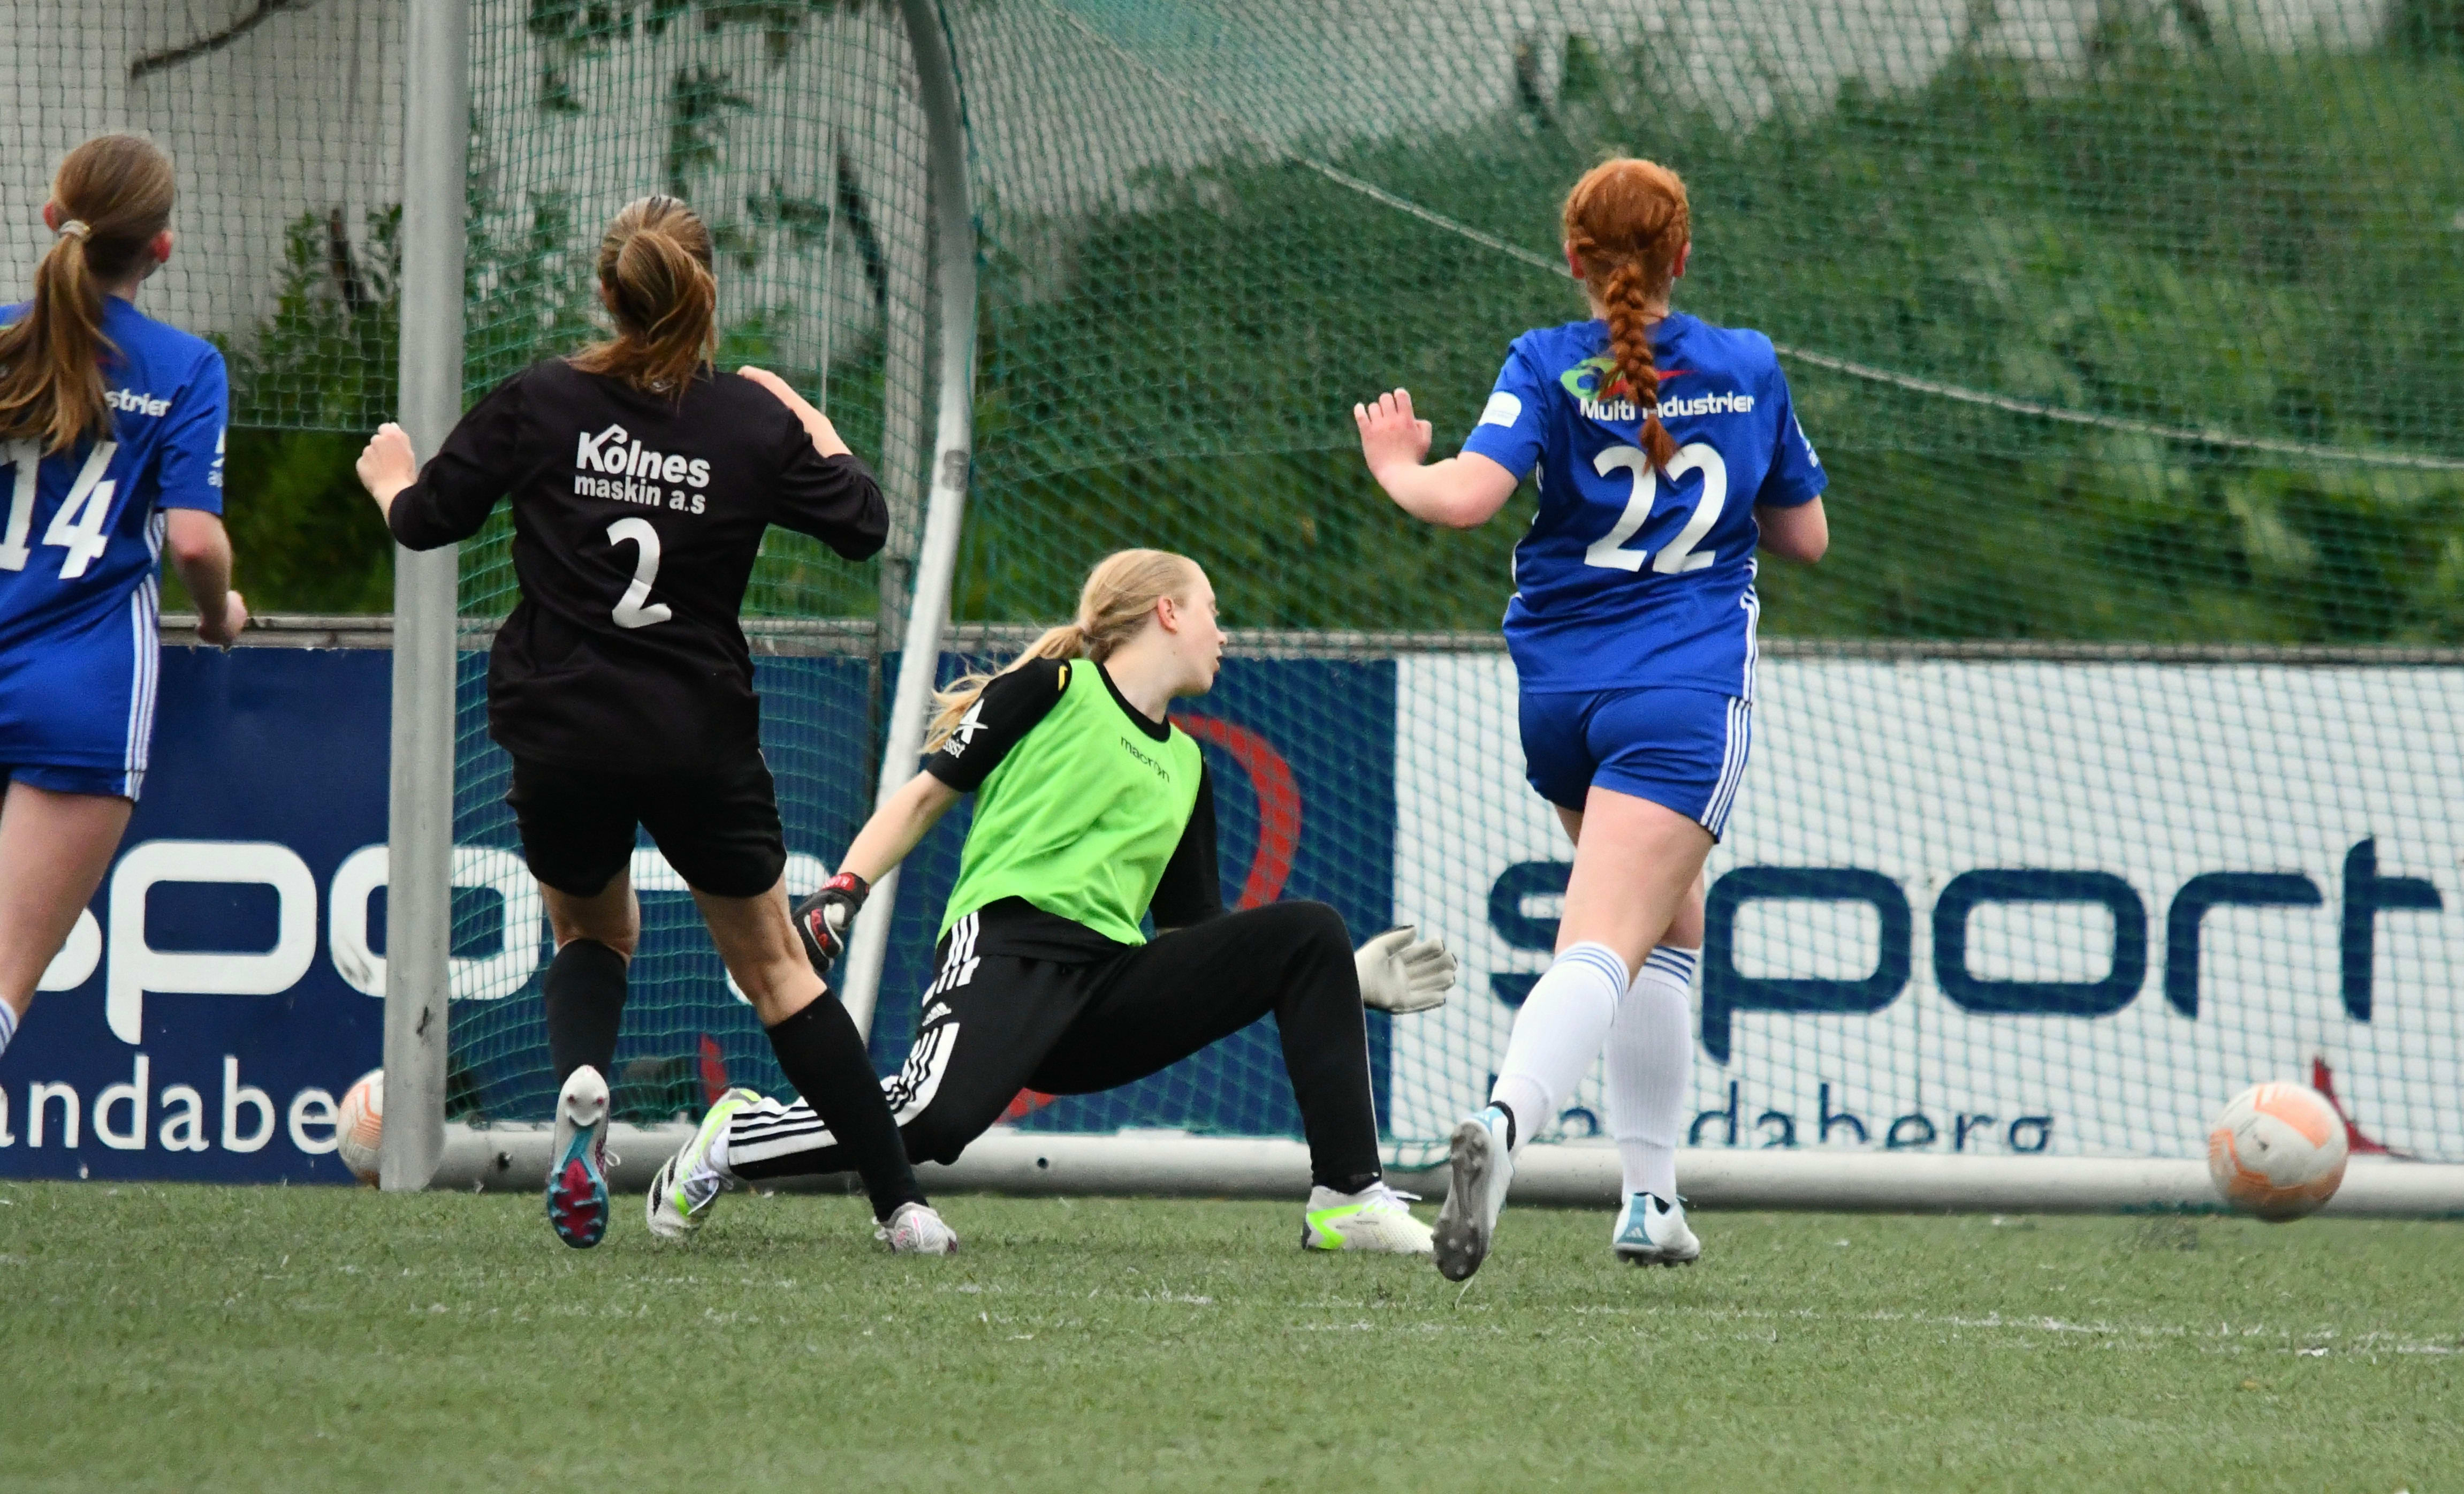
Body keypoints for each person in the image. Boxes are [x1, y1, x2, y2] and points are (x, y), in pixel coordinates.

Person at [354, 194, 954, 1255]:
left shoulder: (545, 399)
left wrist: (391, 477)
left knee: (592, 932)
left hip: (562, 728)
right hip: (695, 735)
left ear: (607, 291)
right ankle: (902, 1208)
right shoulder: (749, 421)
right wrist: (802, 412)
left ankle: (585, 1081)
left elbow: (426, 520)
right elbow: (864, 523)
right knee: (777, 970)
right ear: (708, 292)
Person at [648, 548, 1461, 1253]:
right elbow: (924, 798)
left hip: (1104, 991)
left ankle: (1347, 1198)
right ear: (1167, 612)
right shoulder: (1053, 685)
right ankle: (737, 1135)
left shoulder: (1190, 768)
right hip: (1008, 953)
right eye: (1213, 611)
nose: (1225, 633)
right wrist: (844, 890)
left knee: (1310, 931)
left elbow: (1200, 942)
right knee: (932, 1122)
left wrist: (1333, 977)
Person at [1355, 157, 1829, 1280]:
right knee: (1609, 936)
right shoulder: (1747, 364)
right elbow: (1806, 536)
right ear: (1684, 256)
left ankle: (1650, 1200)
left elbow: (1465, 498)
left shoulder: (1544, 360)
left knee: (1670, 920)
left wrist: (1395, 465)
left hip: (1560, 695)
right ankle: (1505, 1125)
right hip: (1680, 694)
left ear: (1573, 257)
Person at [0, 134, 247, 1072]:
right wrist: (219, 616)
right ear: (162, 247)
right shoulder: (185, 367)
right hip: (84, 687)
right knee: (3, 984)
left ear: (51, 218)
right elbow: (195, 541)